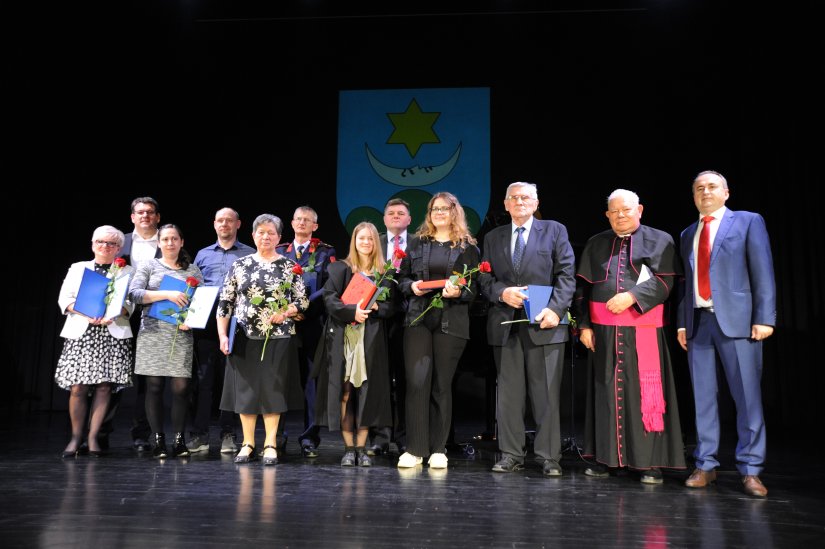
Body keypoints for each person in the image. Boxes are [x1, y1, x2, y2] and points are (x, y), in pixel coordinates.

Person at [575, 189, 686, 484]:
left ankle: (648, 462)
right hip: (603, 332)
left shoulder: (660, 239)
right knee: (605, 393)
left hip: (643, 329)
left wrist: (632, 296)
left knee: (646, 395)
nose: (621, 215)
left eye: (626, 210)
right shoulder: (595, 243)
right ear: (607, 215)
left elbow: (666, 282)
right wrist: (584, 326)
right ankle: (604, 458)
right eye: (615, 211)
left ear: (640, 210)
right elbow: (583, 290)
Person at [677, 170, 776, 497]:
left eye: (712, 187)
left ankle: (750, 469)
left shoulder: (748, 221)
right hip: (698, 324)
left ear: (726, 192)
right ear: (693, 196)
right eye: (699, 188)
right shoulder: (688, 232)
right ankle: (706, 465)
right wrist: (681, 322)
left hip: (739, 323)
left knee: (747, 397)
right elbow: (684, 284)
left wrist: (765, 317)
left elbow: (762, 270)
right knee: (703, 398)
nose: (706, 192)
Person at [478, 182, 575, 477]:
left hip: (545, 323)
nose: (520, 202)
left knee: (545, 394)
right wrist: (501, 293)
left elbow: (566, 275)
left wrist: (555, 310)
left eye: (526, 198)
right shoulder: (493, 237)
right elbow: (484, 279)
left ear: (535, 203)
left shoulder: (555, 230)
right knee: (508, 395)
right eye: (514, 198)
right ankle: (511, 454)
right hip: (505, 325)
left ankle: (548, 456)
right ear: (506, 205)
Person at [395, 192, 481, 469]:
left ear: (455, 211)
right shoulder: (417, 243)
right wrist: (411, 287)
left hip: (451, 322)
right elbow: (402, 279)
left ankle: (438, 449)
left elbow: (474, 289)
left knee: (442, 386)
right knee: (417, 383)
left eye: (445, 208)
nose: (439, 212)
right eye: (434, 209)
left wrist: (459, 291)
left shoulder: (468, 248)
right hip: (417, 320)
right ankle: (415, 448)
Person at [216, 214, 308, 466]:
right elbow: (226, 302)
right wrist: (223, 335)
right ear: (253, 235)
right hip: (244, 336)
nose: (265, 236)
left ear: (279, 238)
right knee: (245, 392)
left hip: (278, 337)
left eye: (271, 233)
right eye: (261, 232)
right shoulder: (240, 264)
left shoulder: (290, 267)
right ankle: (247, 443)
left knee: (272, 389)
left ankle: (270, 443)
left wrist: (285, 312)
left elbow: (302, 300)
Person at [315, 221, 394, 467]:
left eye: (371, 239)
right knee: (346, 392)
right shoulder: (340, 269)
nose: (366, 243)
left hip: (370, 340)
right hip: (343, 337)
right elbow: (329, 300)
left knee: (368, 393)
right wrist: (353, 312)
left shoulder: (385, 273)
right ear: (354, 241)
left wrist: (378, 307)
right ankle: (349, 448)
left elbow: (394, 307)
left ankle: (362, 447)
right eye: (362, 239)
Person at [55, 226, 136, 457]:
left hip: (112, 332)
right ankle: (75, 437)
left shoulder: (127, 271)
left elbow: (130, 303)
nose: (105, 247)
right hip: (82, 332)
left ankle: (93, 438)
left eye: (111, 244)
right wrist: (86, 314)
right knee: (78, 386)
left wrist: (113, 313)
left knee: (104, 387)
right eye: (100, 242)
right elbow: (65, 299)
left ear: (119, 248)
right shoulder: (79, 268)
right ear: (92, 244)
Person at [128, 224, 204, 458]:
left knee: (181, 389)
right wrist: (166, 294)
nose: (170, 243)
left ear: (181, 242)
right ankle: (159, 440)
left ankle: (179, 440)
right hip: (153, 333)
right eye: (165, 239)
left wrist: (192, 319)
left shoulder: (193, 270)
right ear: (159, 243)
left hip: (180, 334)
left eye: (174, 239)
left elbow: (200, 302)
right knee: (154, 386)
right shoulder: (149, 265)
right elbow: (134, 293)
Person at [186, 207, 254, 455]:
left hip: (236, 324)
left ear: (238, 224)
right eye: (220, 220)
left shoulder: (249, 254)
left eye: (229, 220)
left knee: (231, 381)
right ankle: (200, 433)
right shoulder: (202, 255)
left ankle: (228, 433)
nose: (224, 224)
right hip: (206, 325)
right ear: (214, 225)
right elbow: (192, 289)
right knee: (203, 381)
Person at [275, 206, 336, 458]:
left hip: (312, 323)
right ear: (291, 222)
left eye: (307, 220)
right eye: (298, 219)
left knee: (312, 382)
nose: (302, 223)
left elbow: (330, 285)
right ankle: (276, 436)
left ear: (315, 226)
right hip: (282, 323)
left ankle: (309, 437)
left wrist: (303, 309)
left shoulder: (325, 252)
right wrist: (287, 310)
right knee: (278, 379)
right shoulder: (279, 251)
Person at [102, 197, 162, 452]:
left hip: (154, 312)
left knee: (147, 377)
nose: (145, 216)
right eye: (140, 212)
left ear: (157, 217)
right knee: (114, 373)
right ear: (132, 217)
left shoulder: (168, 240)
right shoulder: (120, 241)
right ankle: (101, 432)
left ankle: (142, 434)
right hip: (120, 313)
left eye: (150, 212)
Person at [368, 197, 417, 456]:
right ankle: (380, 435)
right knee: (380, 377)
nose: (396, 216)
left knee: (407, 379)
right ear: (384, 219)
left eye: (401, 213)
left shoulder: (419, 243)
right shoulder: (372, 241)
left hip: (410, 319)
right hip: (378, 318)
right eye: (391, 213)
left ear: (409, 219)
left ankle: (405, 436)